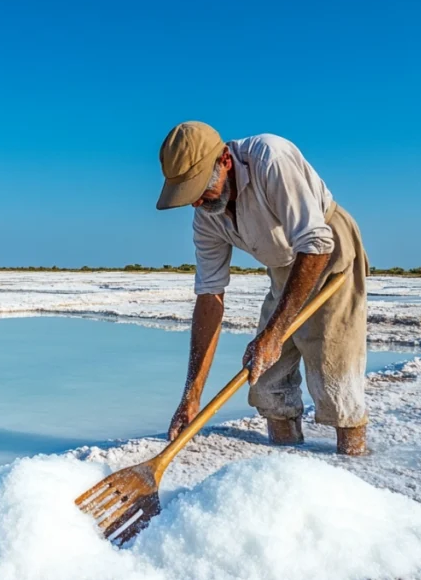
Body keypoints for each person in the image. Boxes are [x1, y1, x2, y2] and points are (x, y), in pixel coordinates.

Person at [155, 121, 370, 455]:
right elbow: (210, 296)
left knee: (335, 380)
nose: (196, 203)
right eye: (188, 195)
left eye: (199, 188)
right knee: (267, 383)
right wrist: (191, 396)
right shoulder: (206, 216)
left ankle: (354, 467)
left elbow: (315, 244)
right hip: (284, 267)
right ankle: (282, 470)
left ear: (225, 160)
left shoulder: (271, 158)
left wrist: (274, 333)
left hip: (327, 252)